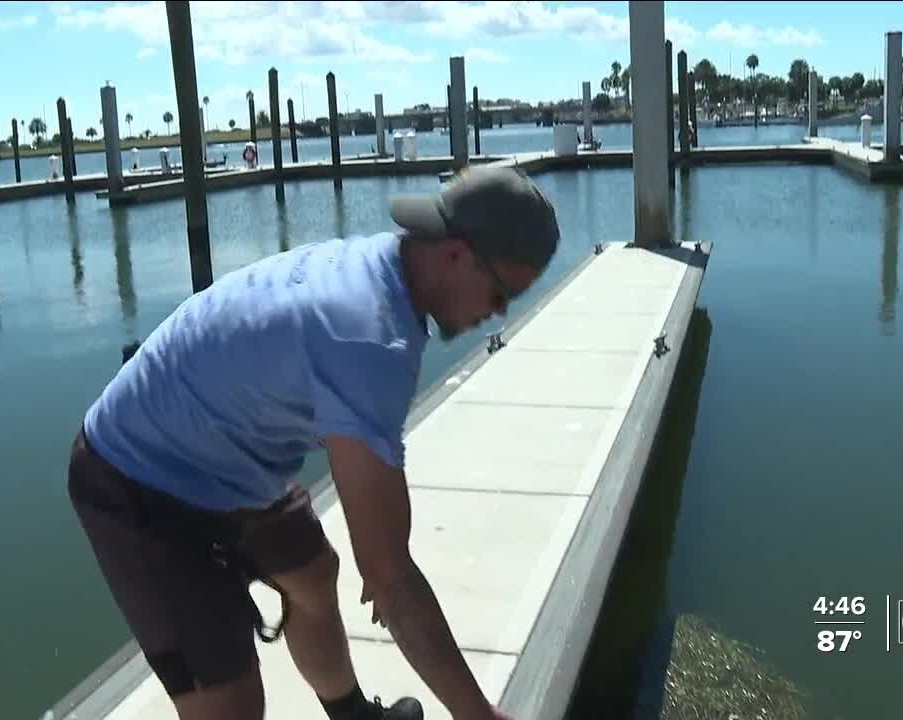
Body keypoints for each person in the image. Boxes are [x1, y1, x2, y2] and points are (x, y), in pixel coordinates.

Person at [68, 165, 561, 720]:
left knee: (311, 572)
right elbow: (390, 576)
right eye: (501, 293)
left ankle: (350, 715)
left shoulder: (386, 268)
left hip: (226, 455)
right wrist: (478, 714)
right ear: (454, 254)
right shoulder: (368, 336)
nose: (498, 312)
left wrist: (383, 567)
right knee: (232, 704)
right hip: (136, 476)